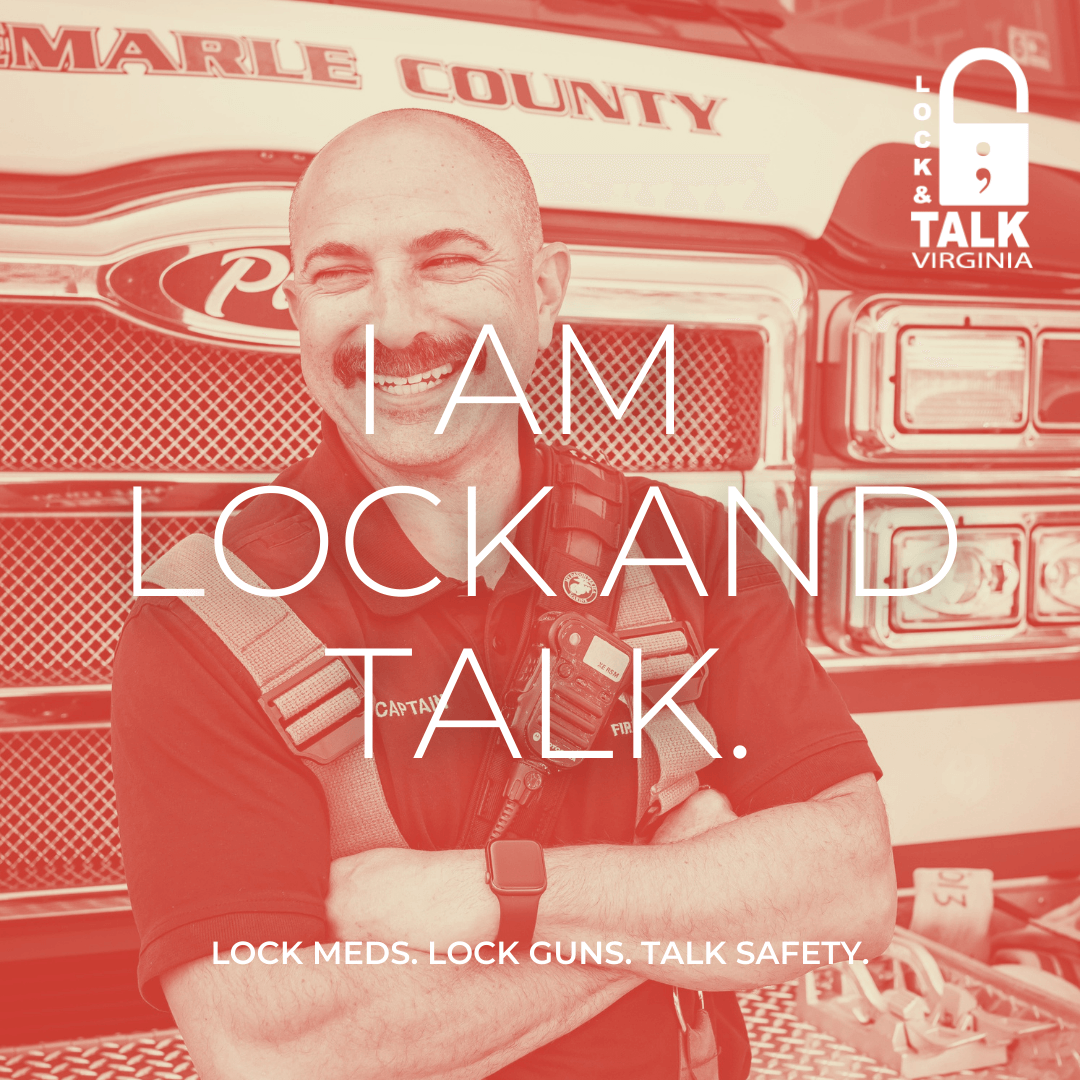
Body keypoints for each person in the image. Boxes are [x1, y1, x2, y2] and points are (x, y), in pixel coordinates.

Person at [110, 108, 895, 1080]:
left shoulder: (696, 548)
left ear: (545, 287)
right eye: (340, 272)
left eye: (446, 262)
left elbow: (849, 895)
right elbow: (278, 1049)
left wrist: (494, 895)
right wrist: (692, 893)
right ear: (297, 305)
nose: (394, 325)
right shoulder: (202, 618)